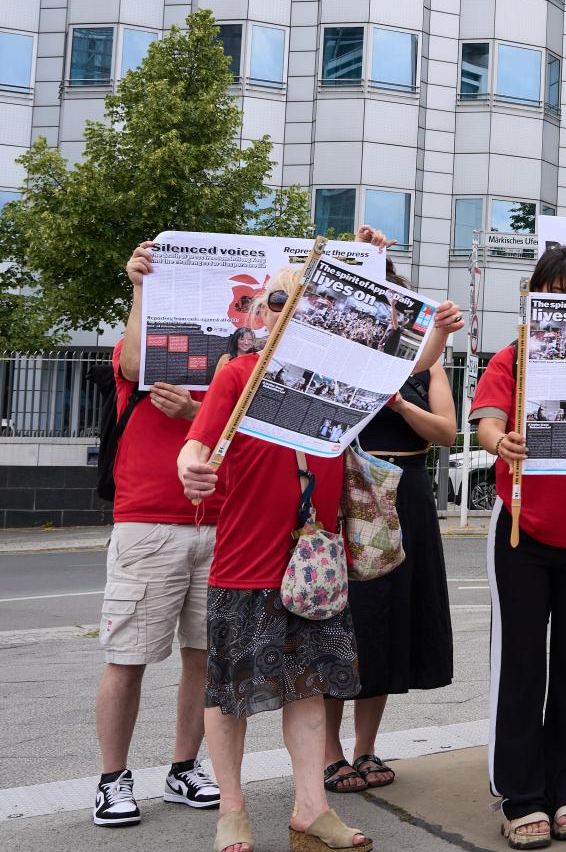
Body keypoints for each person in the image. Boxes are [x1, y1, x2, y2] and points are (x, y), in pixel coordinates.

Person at [178, 263, 372, 852]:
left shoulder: (343, 379)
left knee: (310, 686)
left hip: (314, 563)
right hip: (247, 559)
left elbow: (412, 362)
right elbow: (196, 447)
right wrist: (190, 468)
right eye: (281, 299)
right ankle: (231, 810)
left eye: (309, 299)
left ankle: (311, 808)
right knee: (229, 690)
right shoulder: (238, 374)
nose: (292, 309)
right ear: (262, 313)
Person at [472, 247, 566, 848]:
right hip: (522, 534)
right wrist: (499, 441)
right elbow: (485, 421)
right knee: (522, 663)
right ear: (535, 298)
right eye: (555, 292)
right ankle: (521, 794)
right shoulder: (513, 358)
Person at [93, 240, 222, 828]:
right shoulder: (140, 349)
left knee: (202, 657)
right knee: (129, 656)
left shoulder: (228, 366)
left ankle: (183, 766)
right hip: (148, 522)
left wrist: (197, 415)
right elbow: (127, 364)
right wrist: (141, 286)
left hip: (219, 522)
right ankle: (112, 779)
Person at [321, 264, 461, 794]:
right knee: (343, 622)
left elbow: (445, 431)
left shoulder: (427, 369)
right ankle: (329, 752)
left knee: (387, 624)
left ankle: (365, 747)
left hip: (408, 492)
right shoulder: (338, 360)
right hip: (350, 490)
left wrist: (402, 401)